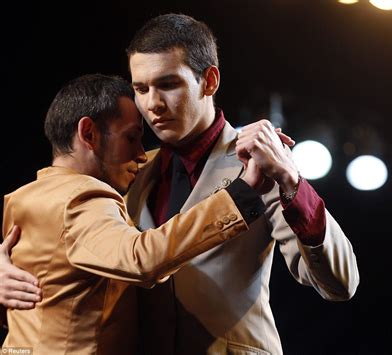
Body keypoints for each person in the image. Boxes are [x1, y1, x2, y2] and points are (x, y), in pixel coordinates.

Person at [1, 13, 360, 355]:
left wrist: (291, 180)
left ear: (210, 81)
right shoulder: (127, 169)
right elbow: (54, 239)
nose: (152, 104)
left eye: (168, 84)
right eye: (140, 88)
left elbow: (340, 284)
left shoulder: (261, 165)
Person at [1, 73, 272, 354]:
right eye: (131, 137)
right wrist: (240, 195)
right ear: (89, 134)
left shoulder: (21, 198)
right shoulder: (83, 197)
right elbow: (141, 259)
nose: (142, 155)